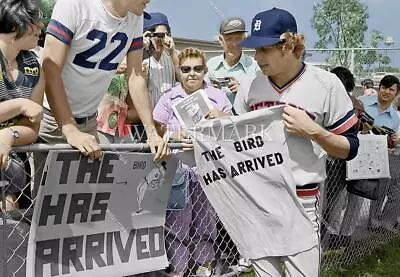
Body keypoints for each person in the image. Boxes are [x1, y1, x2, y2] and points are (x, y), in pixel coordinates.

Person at [234, 8, 359, 276]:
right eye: (254, 49)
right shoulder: (249, 84)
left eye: (264, 49)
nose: (256, 57)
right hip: (258, 199)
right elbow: (235, 142)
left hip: (301, 200)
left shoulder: (325, 84)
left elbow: (350, 148)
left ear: (288, 45)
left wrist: (315, 131)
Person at [34, 0, 169, 195]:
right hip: (53, 119)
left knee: (84, 202)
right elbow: (51, 69)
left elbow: (135, 75)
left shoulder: (136, 16)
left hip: (89, 121)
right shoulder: (74, 5)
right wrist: (70, 130)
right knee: (45, 204)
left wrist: (152, 133)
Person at [153, 47, 232, 277]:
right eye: (186, 69)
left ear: (205, 70)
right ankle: (178, 270)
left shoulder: (218, 96)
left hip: (208, 169)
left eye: (197, 69)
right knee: (177, 221)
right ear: (179, 71)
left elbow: (234, 130)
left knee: (206, 220)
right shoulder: (169, 96)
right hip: (178, 170)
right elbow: (157, 129)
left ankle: (204, 267)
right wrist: (171, 135)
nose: (192, 74)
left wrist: (221, 117)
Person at [0, 0, 45, 210]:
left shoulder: (33, 65)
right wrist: (20, 105)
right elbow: (28, 109)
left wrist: (9, 135)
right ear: (17, 24)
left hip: (15, 163)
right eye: (36, 22)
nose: (42, 28)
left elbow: (33, 126)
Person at [361, 75, 400, 232]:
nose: (387, 92)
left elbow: (391, 141)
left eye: (391, 89)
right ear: (378, 88)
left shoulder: (395, 117)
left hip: (379, 158)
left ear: (396, 94)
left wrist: (393, 140)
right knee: (350, 195)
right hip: (355, 153)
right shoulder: (363, 103)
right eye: (384, 87)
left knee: (380, 189)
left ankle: (374, 221)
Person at [207, 17, 258, 106]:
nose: (234, 44)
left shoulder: (255, 66)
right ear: (220, 40)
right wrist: (208, 90)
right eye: (229, 39)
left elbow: (263, 99)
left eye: (238, 38)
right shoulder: (210, 65)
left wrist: (243, 92)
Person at [97, 56, 141, 143]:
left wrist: (137, 78)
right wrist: (115, 69)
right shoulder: (103, 56)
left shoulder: (132, 58)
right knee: (103, 154)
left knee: (128, 154)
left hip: (121, 125)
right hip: (100, 124)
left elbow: (130, 101)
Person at [142, 12, 178, 107]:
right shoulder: (139, 57)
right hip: (147, 116)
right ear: (148, 36)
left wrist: (173, 52)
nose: (164, 39)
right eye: (160, 35)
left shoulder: (173, 56)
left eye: (167, 35)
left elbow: (184, 79)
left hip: (169, 116)